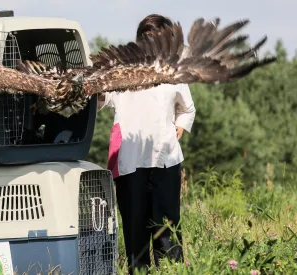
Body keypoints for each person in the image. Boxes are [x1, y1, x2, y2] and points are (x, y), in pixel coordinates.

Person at [97, 14, 196, 274]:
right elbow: (101, 98)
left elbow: (187, 109)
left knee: (167, 231)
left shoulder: (172, 71)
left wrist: (176, 131)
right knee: (135, 230)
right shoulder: (121, 69)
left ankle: (172, 272)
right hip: (129, 161)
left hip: (165, 160)